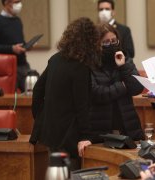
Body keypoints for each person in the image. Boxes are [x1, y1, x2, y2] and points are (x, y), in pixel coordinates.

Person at [29, 17, 101, 170]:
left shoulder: (55, 59)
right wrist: (85, 136)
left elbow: (37, 90)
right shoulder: (80, 66)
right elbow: (81, 105)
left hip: (50, 133)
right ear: (90, 41)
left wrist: (41, 117)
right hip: (69, 136)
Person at [89, 23, 144, 141]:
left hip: (128, 126)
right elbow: (96, 93)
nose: (111, 45)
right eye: (106, 42)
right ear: (96, 44)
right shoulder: (89, 64)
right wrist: (123, 86)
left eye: (114, 41)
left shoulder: (125, 58)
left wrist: (123, 66)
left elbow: (137, 88)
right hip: (100, 129)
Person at [0, 0, 31, 92]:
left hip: (23, 65)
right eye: (16, 2)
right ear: (7, 3)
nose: (19, 4)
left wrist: (27, 46)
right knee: (12, 99)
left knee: (33, 94)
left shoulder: (17, 20)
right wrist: (11, 48)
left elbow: (19, 42)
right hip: (8, 69)